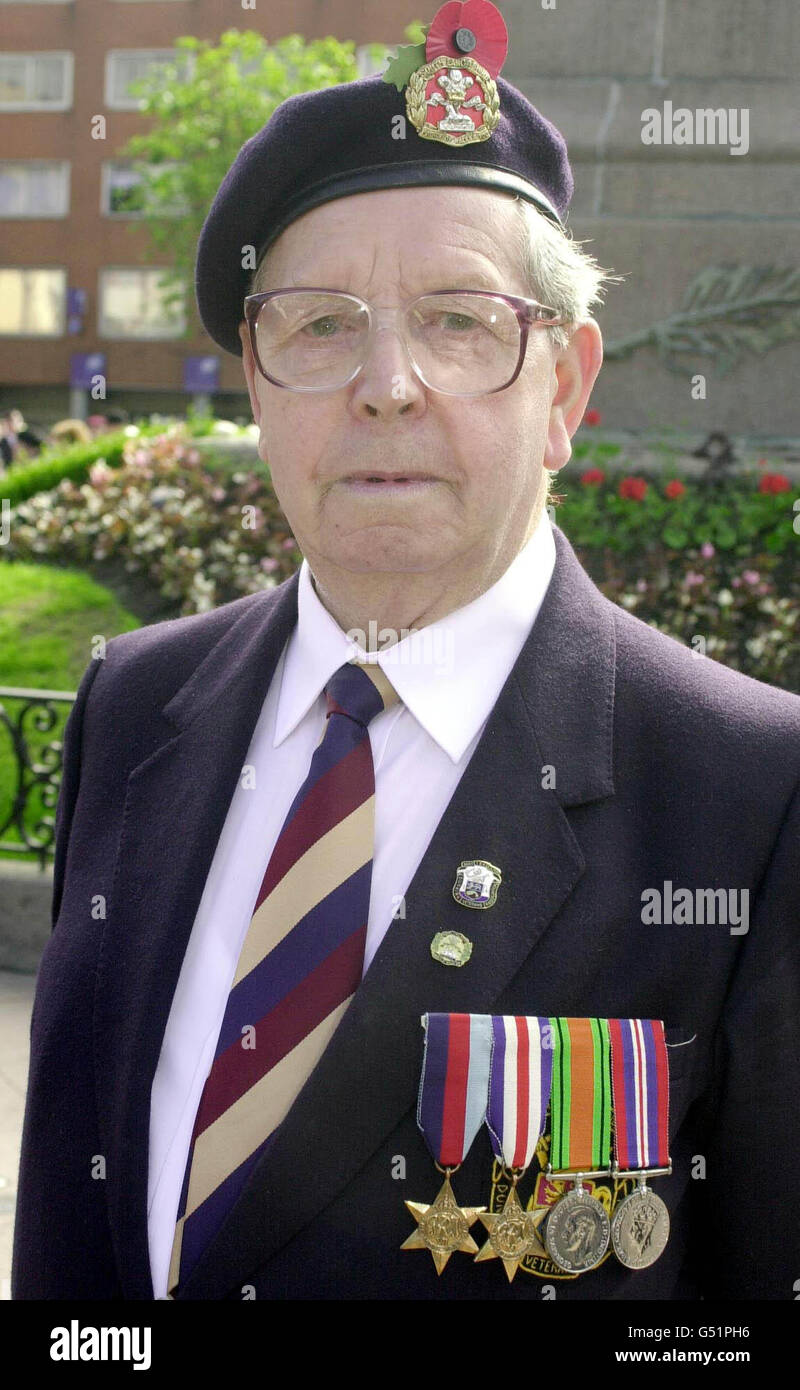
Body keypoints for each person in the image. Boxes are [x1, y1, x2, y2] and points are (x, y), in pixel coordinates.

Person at [12, 1, 800, 1302]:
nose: (386, 382)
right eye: (319, 326)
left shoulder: (750, 795)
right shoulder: (134, 705)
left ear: (567, 386)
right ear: (260, 389)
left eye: (459, 320)